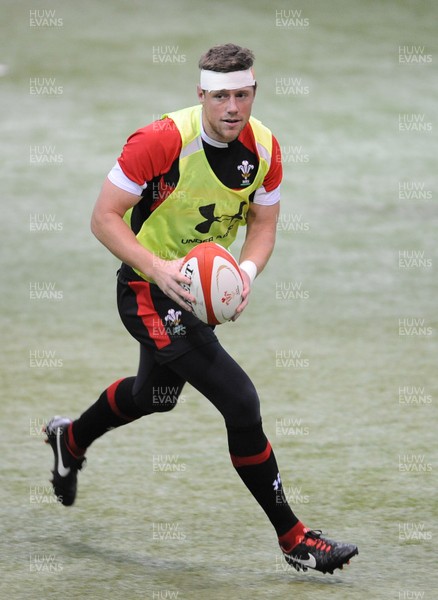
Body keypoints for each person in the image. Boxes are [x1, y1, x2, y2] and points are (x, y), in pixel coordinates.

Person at [45, 43, 358, 575]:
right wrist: (158, 268)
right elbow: (104, 218)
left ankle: (69, 438)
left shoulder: (265, 149)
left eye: (242, 94)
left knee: (155, 397)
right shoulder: (160, 141)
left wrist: (246, 274)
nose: (233, 107)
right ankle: (295, 539)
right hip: (147, 290)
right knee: (240, 401)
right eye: (221, 97)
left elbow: (263, 225)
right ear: (201, 96)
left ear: (254, 92)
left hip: (199, 294)